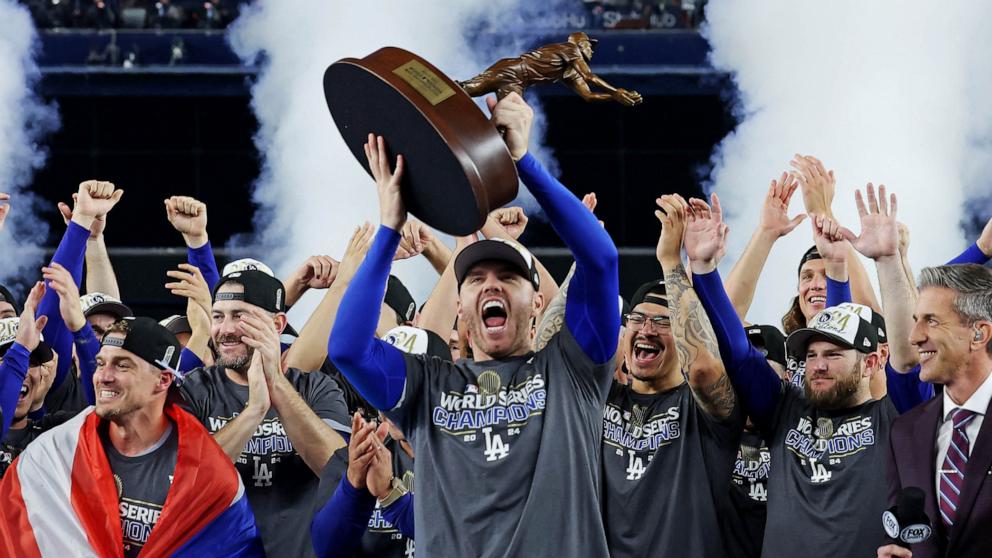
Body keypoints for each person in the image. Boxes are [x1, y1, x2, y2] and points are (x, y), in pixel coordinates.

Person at [329, 92, 620, 556]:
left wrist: (523, 162)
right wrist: (389, 227)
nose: (491, 286)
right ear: (460, 309)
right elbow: (347, 349)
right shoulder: (426, 384)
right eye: (476, 278)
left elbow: (601, 260)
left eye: (508, 276)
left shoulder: (572, 369)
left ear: (539, 301)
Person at [687, 193, 899, 558]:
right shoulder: (786, 408)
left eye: (832, 355)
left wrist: (851, 266)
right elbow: (737, 351)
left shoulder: (894, 418)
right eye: (811, 354)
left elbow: (901, 353)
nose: (818, 365)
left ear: (872, 361)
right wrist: (705, 271)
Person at [0, 316, 264, 556]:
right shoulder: (56, 452)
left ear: (162, 380)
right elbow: (15, 537)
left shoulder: (205, 472)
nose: (103, 376)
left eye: (122, 365)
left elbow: (230, 546)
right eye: (101, 363)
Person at [601, 194, 742, 557]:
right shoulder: (601, 399)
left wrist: (671, 262)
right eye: (638, 319)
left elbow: (703, 367)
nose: (647, 329)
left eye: (662, 322)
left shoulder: (705, 412)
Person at [179, 269, 351, 558]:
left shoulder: (316, 387)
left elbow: (340, 471)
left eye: (240, 316)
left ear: (277, 323)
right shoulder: (193, 389)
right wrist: (254, 411)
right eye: (218, 316)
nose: (226, 329)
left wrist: (277, 385)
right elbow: (187, 480)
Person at [880, 264, 992, 558]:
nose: (914, 336)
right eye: (917, 320)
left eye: (931, 321)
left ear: (979, 334)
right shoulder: (904, 432)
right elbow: (902, 534)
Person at [459, 32, 642, 106]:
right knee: (470, 89)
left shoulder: (569, 72)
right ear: (579, 43)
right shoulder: (570, 49)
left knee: (514, 115)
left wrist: (614, 98)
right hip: (512, 69)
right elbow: (590, 77)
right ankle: (436, 91)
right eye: (589, 45)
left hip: (518, 82)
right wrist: (616, 90)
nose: (591, 50)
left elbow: (589, 96)